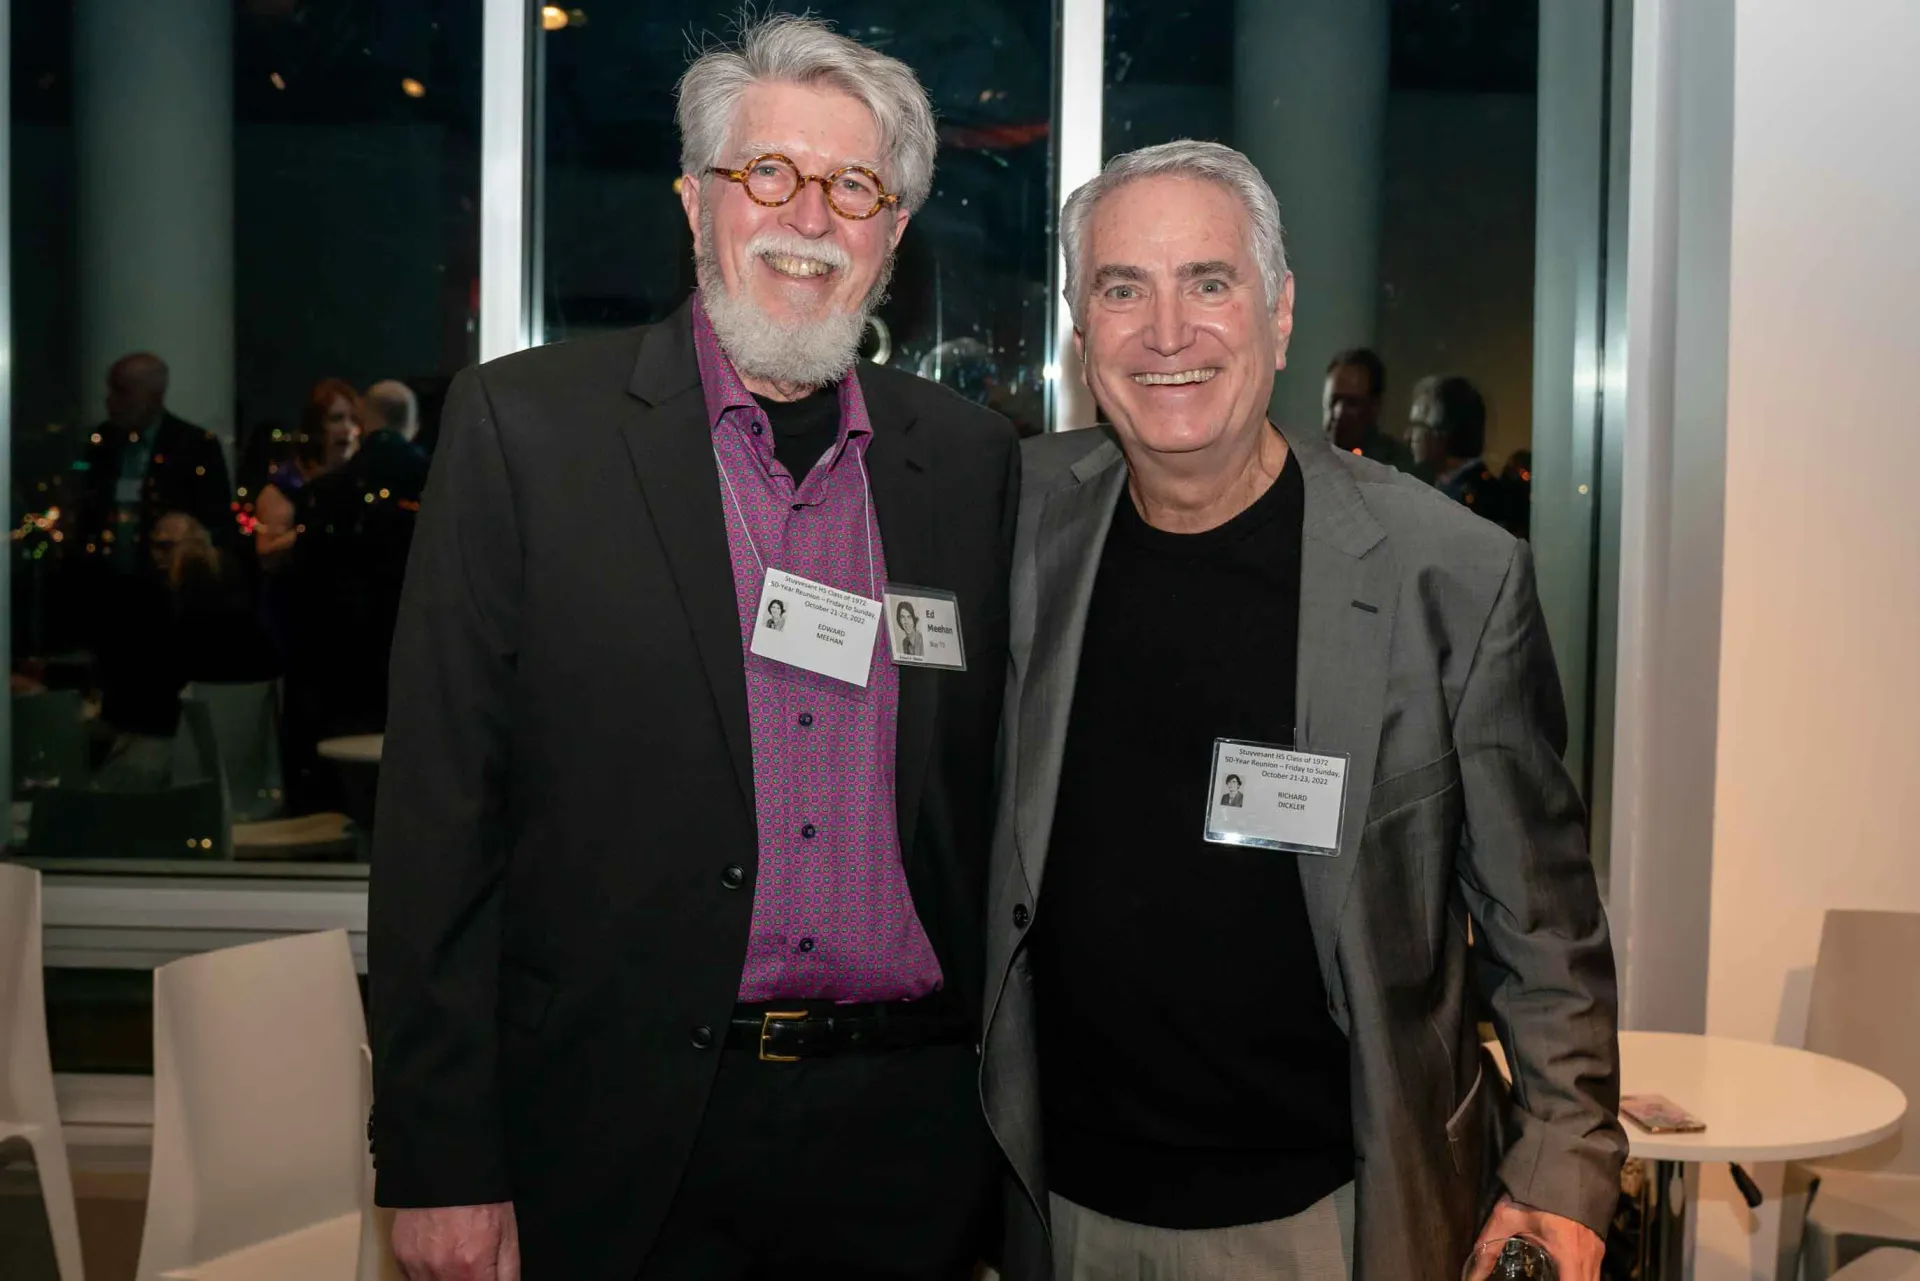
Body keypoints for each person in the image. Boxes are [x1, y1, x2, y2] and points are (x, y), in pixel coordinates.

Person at [369, 15, 1019, 1281]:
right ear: (694, 199)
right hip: (622, 1134)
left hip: (908, 1140)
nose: (808, 217)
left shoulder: (970, 464)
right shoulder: (529, 435)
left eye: (854, 188)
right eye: (767, 173)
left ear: (893, 234)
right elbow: (439, 819)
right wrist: (441, 1157)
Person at [980, 140, 1624, 1281]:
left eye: (1210, 283)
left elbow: (1546, 926)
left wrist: (1564, 1169)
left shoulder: (1450, 576)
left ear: (1280, 317)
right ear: (1083, 335)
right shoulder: (1019, 524)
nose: (1166, 333)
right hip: (1059, 1211)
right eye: (1123, 288)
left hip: (1328, 1219)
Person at [78, 353, 233, 574]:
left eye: (122, 391)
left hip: (167, 584)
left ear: (153, 397)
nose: (110, 401)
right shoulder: (102, 443)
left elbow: (216, 520)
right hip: (105, 582)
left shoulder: (194, 446)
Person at [254, 379, 364, 565]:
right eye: (336, 419)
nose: (348, 429)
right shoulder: (285, 487)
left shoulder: (361, 480)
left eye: (353, 419)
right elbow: (266, 554)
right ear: (315, 427)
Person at [1409, 374, 1511, 528]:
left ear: (1444, 431)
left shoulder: (1473, 502)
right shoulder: (1454, 491)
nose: (1408, 435)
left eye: (1417, 424)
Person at [1322, 347, 1414, 472]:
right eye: (1334, 400)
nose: (1338, 412)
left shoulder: (1395, 467)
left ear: (1374, 406)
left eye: (1352, 403)